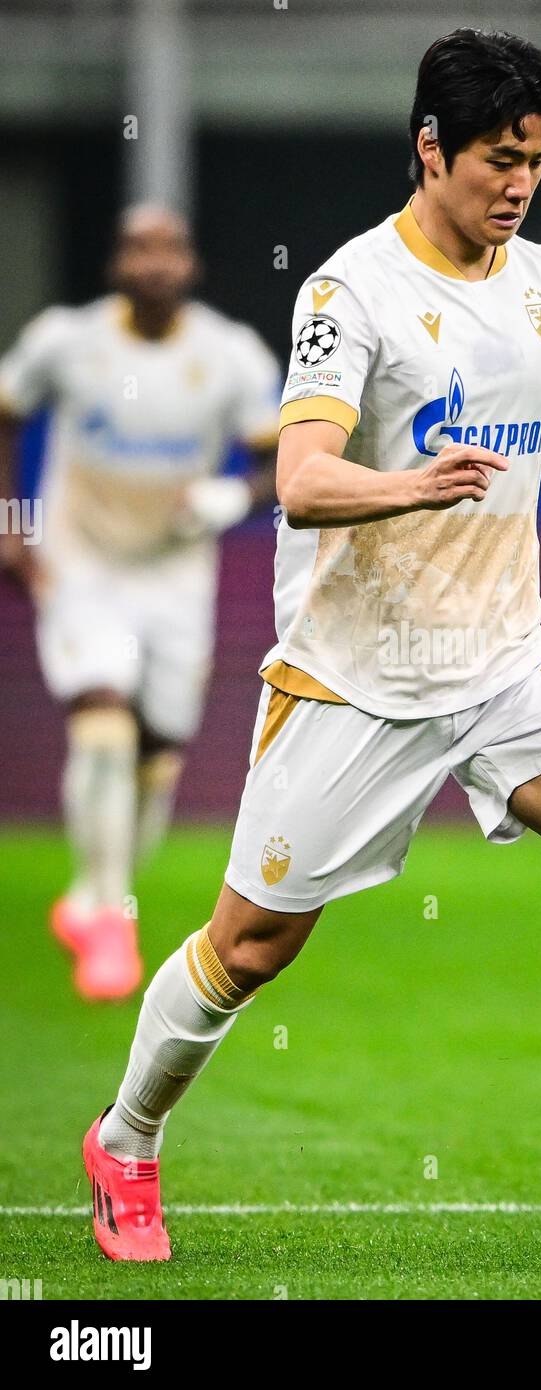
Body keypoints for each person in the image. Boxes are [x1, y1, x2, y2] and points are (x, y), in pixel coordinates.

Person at [79, 31, 541, 1261]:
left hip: (503, 662)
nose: (517, 186)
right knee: (247, 947)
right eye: (495, 160)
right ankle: (127, 1141)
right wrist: (406, 488)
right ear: (429, 148)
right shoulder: (348, 294)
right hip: (356, 679)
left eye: (533, 163)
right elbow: (302, 482)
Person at [0, 205, 281, 1001]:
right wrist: (11, 528)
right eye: (137, 247)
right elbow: (6, 412)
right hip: (80, 562)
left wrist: (238, 491)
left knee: (155, 757)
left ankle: (96, 895)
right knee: (100, 718)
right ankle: (105, 916)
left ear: (190, 265)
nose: (153, 262)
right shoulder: (66, 340)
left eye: (168, 248)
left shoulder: (227, 356)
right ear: (115, 264)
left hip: (174, 574)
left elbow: (280, 459)